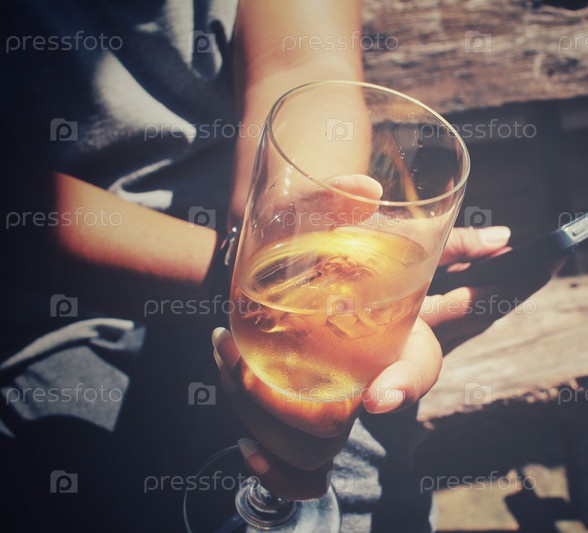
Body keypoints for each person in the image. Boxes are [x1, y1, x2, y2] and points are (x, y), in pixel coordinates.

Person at [0, 1, 557, 531]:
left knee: (364, 497)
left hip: (251, 256)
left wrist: (312, 246)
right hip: (61, 316)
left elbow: (306, 67)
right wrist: (253, 272)